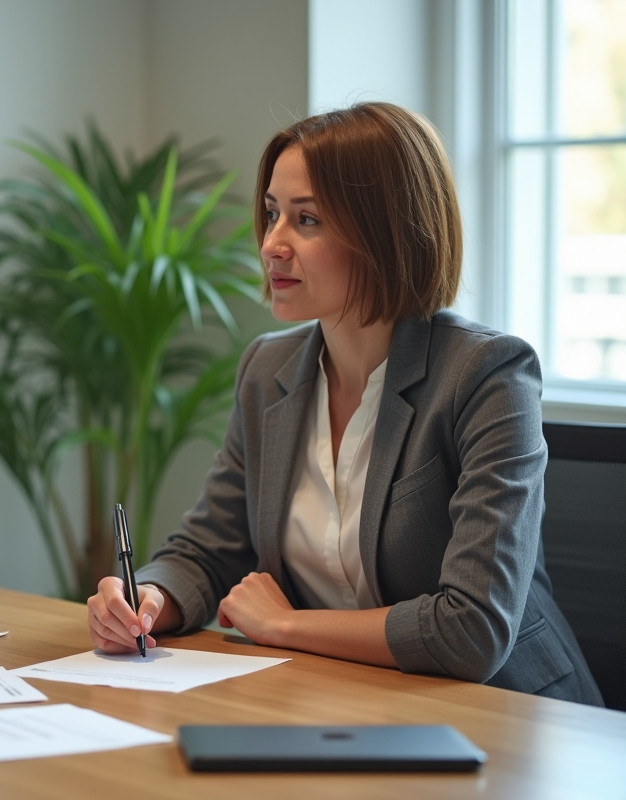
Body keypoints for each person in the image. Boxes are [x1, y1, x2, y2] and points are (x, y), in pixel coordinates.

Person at [87, 102, 603, 706]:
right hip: (344, 700)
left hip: (505, 713)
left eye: (307, 220)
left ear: (387, 234)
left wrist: (284, 625)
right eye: (272, 214)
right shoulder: (267, 370)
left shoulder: (487, 376)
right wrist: (147, 599)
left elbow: (472, 629)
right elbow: (208, 549)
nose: (271, 245)